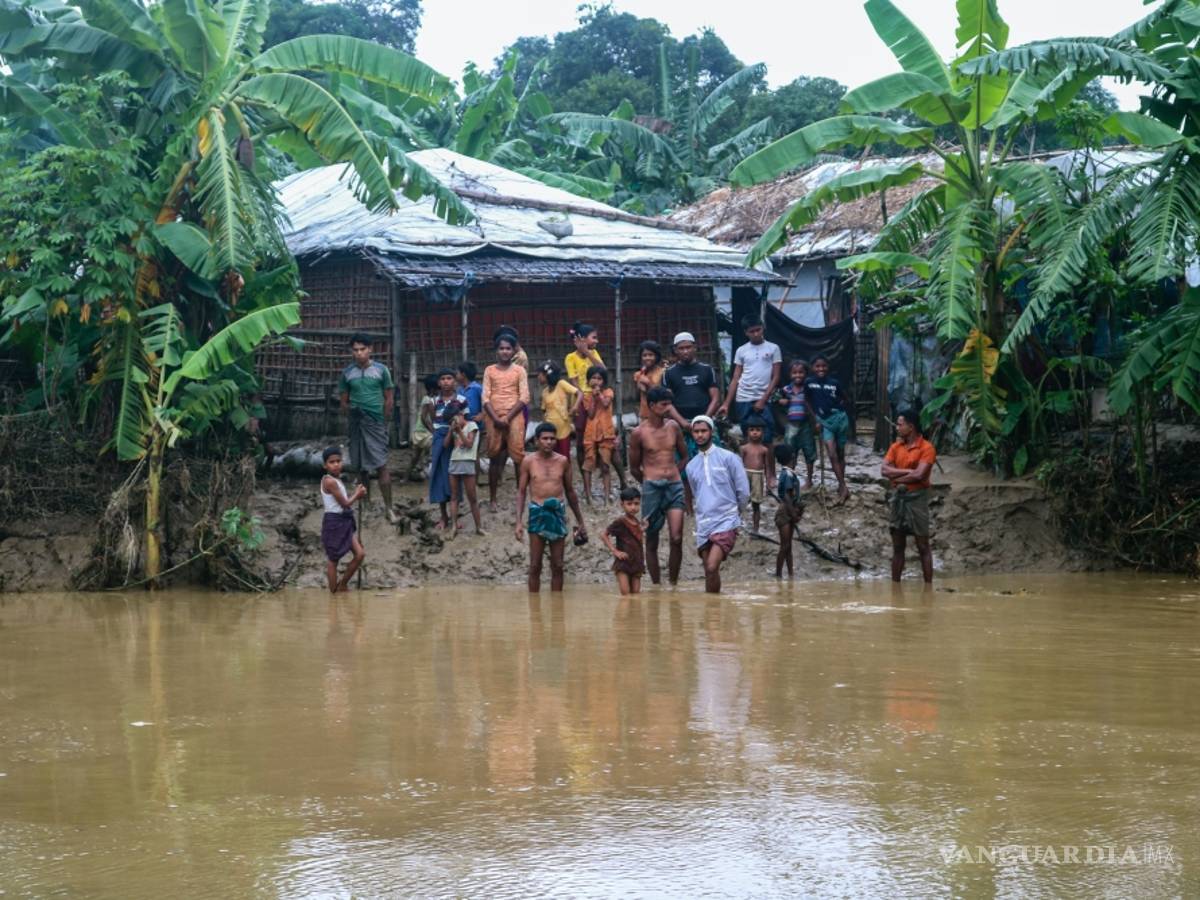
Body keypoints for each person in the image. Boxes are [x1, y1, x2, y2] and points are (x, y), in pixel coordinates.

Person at [515, 422, 588, 592]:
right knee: (535, 565)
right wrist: (518, 522)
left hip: (557, 513)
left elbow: (570, 492)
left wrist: (580, 521)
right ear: (536, 441)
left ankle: (558, 611)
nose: (549, 442)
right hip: (537, 512)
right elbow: (521, 492)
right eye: (545, 439)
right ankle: (535, 613)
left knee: (558, 565)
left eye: (552, 439)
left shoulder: (562, 461)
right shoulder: (528, 461)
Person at [629, 386, 688, 585]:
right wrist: (648, 482)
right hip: (652, 487)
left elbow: (684, 455)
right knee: (652, 539)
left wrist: (675, 474)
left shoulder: (673, 427)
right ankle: (656, 585)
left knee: (676, 537)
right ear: (652, 406)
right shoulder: (639, 433)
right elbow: (634, 467)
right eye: (664, 404)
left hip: (674, 485)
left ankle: (673, 584)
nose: (668, 408)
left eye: (670, 403)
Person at [684, 416, 749, 594]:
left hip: (726, 520)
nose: (700, 435)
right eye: (696, 432)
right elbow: (697, 494)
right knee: (709, 571)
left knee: (712, 566)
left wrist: (736, 514)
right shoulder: (691, 466)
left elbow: (743, 491)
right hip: (704, 523)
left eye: (703, 431)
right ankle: (713, 613)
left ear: (711, 432)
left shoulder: (729, 458)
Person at [339, 333, 399, 523]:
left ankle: (389, 508)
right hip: (356, 422)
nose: (359, 353)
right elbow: (343, 402)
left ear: (370, 349)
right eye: (355, 350)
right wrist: (351, 413)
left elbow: (389, 398)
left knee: (381, 465)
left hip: (376, 421)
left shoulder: (381, 370)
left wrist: (384, 420)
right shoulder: (347, 373)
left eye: (362, 349)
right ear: (351, 351)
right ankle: (366, 505)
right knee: (361, 467)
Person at [880, 410, 936, 583]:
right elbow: (883, 470)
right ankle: (895, 587)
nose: (897, 427)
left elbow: (919, 476)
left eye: (900, 424)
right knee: (897, 546)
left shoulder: (927, 448)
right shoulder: (895, 447)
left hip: (917, 498)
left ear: (910, 427)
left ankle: (928, 588)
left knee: (923, 546)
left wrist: (896, 476)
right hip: (899, 497)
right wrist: (908, 471)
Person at [483, 333, 531, 510]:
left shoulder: (520, 371)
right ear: (496, 351)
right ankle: (493, 499)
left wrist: (508, 417)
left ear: (513, 351)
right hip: (493, 417)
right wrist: (496, 419)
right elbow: (485, 397)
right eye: (501, 348)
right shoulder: (489, 370)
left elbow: (524, 396)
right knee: (494, 458)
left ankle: (521, 497)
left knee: (518, 458)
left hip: (515, 417)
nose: (504, 351)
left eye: (508, 348)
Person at [719, 315, 782, 442]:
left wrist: (763, 400)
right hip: (743, 398)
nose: (756, 334)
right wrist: (726, 404)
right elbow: (736, 378)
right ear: (746, 333)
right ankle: (750, 462)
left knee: (767, 436)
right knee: (748, 436)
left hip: (764, 398)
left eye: (758, 330)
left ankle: (768, 463)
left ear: (763, 328)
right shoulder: (741, 350)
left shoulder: (773, 348)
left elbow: (776, 377)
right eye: (752, 331)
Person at [320, 446, 366, 593]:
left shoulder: (336, 480)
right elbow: (345, 503)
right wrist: (357, 494)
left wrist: (356, 494)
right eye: (331, 462)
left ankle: (343, 584)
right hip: (334, 521)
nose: (336, 464)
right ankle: (334, 592)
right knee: (333, 559)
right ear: (325, 465)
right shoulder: (329, 482)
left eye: (338, 461)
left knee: (360, 554)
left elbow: (344, 502)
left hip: (343, 520)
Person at [805, 355, 851, 502]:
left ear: (828, 367)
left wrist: (839, 410)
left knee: (840, 453)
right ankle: (843, 486)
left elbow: (845, 398)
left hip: (839, 420)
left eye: (823, 366)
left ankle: (840, 485)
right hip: (824, 422)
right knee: (831, 454)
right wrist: (815, 418)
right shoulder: (809, 383)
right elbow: (806, 400)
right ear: (813, 368)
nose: (821, 369)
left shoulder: (834, 383)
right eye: (817, 366)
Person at [429, 370, 467, 529]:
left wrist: (456, 427)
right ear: (439, 382)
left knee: (454, 476)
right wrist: (437, 434)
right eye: (442, 379)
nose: (446, 382)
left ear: (455, 381)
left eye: (449, 378)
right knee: (439, 477)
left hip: (455, 438)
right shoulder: (433, 401)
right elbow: (431, 420)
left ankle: (455, 517)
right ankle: (443, 516)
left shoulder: (461, 400)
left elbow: (465, 420)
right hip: (439, 440)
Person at [663, 332, 720, 436]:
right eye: (681, 348)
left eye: (688, 347)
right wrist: (683, 423)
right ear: (675, 350)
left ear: (695, 348)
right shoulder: (669, 373)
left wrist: (704, 420)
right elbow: (667, 403)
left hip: (705, 424)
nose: (685, 351)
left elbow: (715, 399)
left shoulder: (707, 370)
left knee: (709, 452)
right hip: (679, 424)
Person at [565, 322, 604, 471]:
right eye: (594, 338)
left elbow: (603, 370)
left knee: (599, 434)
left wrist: (587, 352)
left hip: (596, 397)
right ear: (581, 339)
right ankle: (584, 469)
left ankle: (601, 465)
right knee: (581, 438)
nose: (596, 341)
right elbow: (574, 383)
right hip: (580, 400)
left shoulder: (593, 354)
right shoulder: (570, 358)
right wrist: (583, 400)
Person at [778, 359, 817, 489]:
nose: (798, 375)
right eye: (794, 373)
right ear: (790, 374)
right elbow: (775, 399)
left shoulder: (808, 389)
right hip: (791, 425)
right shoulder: (786, 389)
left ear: (806, 374)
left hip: (806, 426)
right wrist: (782, 401)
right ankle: (792, 480)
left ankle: (809, 480)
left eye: (801, 372)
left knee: (809, 453)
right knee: (790, 452)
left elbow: (813, 405)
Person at [446, 403, 483, 538]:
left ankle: (479, 527)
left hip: (468, 462)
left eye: (454, 419)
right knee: (454, 497)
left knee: (472, 498)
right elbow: (446, 445)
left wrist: (459, 431)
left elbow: (469, 444)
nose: (453, 423)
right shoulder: (454, 429)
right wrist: (451, 430)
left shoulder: (472, 426)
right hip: (454, 462)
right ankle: (454, 526)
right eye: (450, 421)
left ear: (461, 415)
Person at [602, 486, 646, 595]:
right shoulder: (620, 522)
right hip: (623, 563)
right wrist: (615, 551)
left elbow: (636, 539)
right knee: (626, 594)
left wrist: (642, 529)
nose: (633, 507)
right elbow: (603, 534)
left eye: (636, 504)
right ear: (622, 505)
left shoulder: (637, 522)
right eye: (629, 504)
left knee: (635, 594)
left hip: (637, 563)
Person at [582, 366, 616, 504]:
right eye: (593, 378)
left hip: (606, 433)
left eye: (599, 378)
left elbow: (606, 404)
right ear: (589, 380)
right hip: (590, 432)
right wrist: (593, 398)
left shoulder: (608, 392)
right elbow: (590, 413)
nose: (596, 381)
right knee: (588, 463)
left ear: (604, 381)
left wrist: (599, 395)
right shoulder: (586, 396)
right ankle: (589, 496)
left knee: (605, 465)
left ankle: (607, 496)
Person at [738, 417, 774, 534]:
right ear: (747, 432)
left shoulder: (764, 450)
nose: (754, 432)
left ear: (763, 432)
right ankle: (734, 526)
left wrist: (768, 481)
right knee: (740, 501)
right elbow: (738, 465)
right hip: (744, 475)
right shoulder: (744, 448)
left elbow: (768, 466)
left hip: (758, 476)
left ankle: (756, 529)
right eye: (752, 429)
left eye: (758, 430)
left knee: (756, 504)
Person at [773, 444, 804, 578]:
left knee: (788, 546)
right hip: (785, 512)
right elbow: (786, 496)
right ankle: (779, 574)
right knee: (785, 546)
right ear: (793, 457)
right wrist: (793, 514)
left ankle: (790, 574)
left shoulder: (788, 474)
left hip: (788, 510)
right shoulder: (787, 475)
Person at [538, 360, 579, 459]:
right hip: (551, 432)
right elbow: (544, 411)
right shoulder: (544, 392)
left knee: (564, 457)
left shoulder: (561, 384)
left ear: (547, 375)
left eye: (540, 374)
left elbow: (579, 393)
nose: (538, 377)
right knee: (551, 458)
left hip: (563, 429)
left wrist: (575, 406)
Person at [406, 373, 438, 482]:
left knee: (415, 457)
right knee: (431, 448)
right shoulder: (427, 399)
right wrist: (433, 430)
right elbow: (424, 418)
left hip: (422, 431)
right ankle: (423, 468)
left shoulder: (433, 399)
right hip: (423, 431)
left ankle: (407, 477)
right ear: (433, 388)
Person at [632, 340, 667, 421]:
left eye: (651, 355)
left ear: (656, 356)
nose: (647, 358)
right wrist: (639, 385)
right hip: (644, 414)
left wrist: (648, 383)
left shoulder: (662, 373)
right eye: (644, 355)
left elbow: (663, 395)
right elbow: (638, 396)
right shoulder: (638, 374)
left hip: (660, 415)